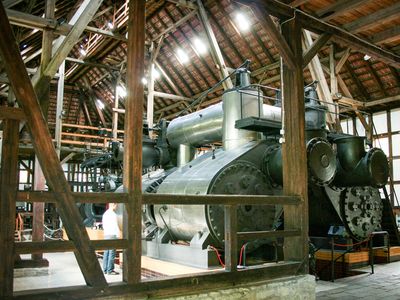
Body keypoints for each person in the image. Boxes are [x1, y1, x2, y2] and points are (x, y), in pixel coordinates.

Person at [102, 203, 120, 275]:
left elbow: (104, 225)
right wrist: (118, 234)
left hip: (106, 234)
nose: (117, 207)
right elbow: (115, 226)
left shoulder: (105, 214)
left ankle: (105, 269)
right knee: (112, 253)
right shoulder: (113, 214)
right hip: (112, 235)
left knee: (106, 252)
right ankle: (110, 270)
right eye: (116, 205)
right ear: (113, 205)